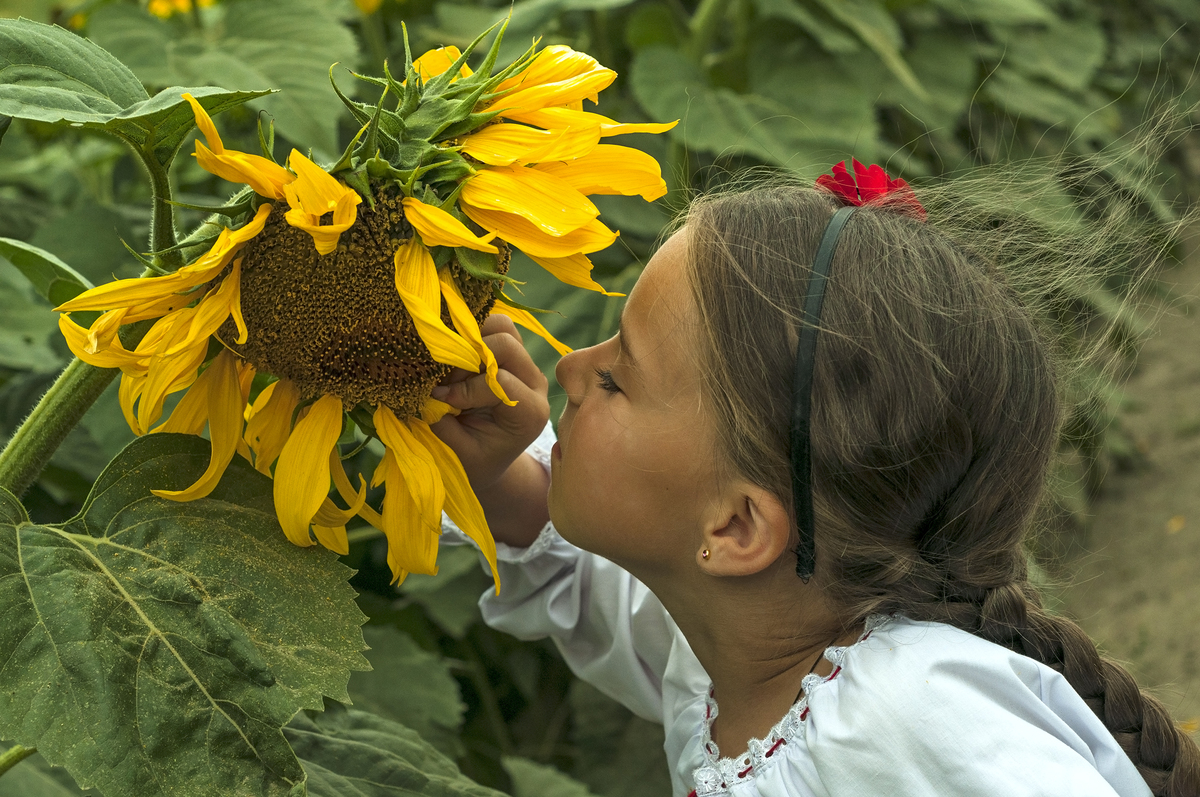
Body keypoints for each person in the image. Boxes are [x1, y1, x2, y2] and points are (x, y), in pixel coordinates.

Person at [427, 161, 1200, 796]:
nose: (569, 365)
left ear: (737, 526)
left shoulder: (908, 715)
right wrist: (494, 474)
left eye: (617, 379)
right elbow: (601, 597)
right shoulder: (741, 647)